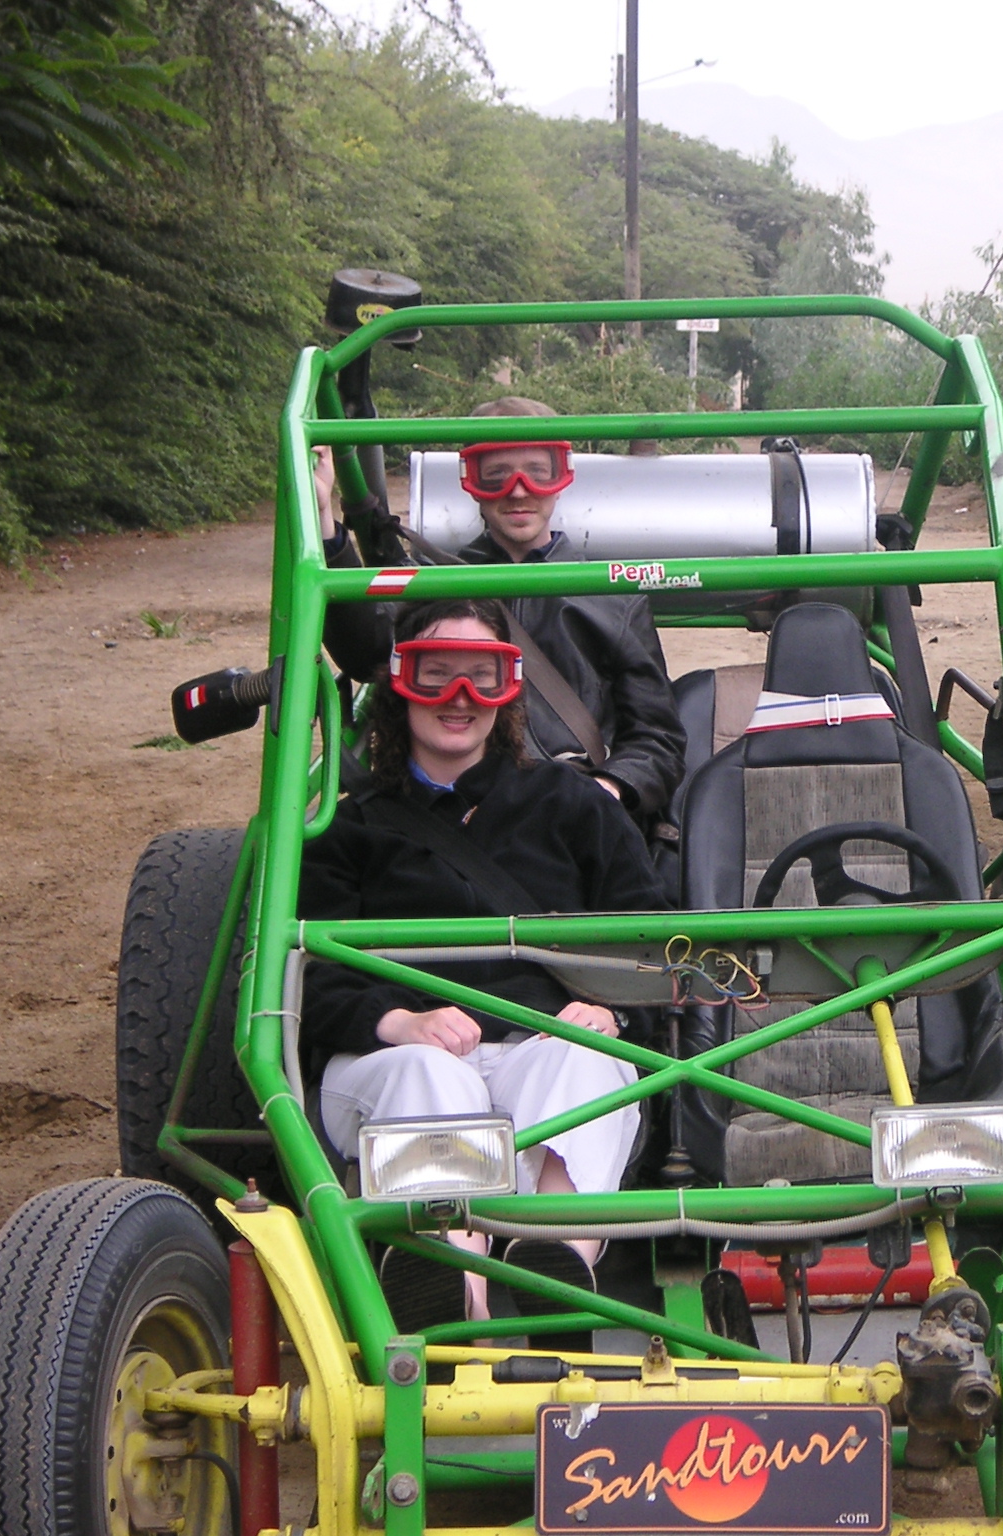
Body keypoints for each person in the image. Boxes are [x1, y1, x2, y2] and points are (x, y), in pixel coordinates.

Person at [298, 596, 664, 1338]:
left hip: (536, 1046)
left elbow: (651, 944)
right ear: (400, 684)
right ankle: (454, 1288)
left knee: (586, 1059)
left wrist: (611, 1008)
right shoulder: (345, 826)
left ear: (510, 690)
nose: (458, 701)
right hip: (388, 1062)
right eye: (436, 677)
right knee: (427, 1075)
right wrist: (399, 1021)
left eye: (482, 677)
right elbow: (303, 975)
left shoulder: (574, 805)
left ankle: (556, 1265)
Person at [313, 397, 687, 821]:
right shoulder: (436, 584)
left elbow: (657, 736)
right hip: (455, 804)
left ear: (562, 476)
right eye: (495, 476)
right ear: (469, 482)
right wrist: (325, 517)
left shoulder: (611, 595)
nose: (519, 490)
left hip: (569, 808)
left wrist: (608, 789)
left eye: (538, 472)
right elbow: (367, 650)